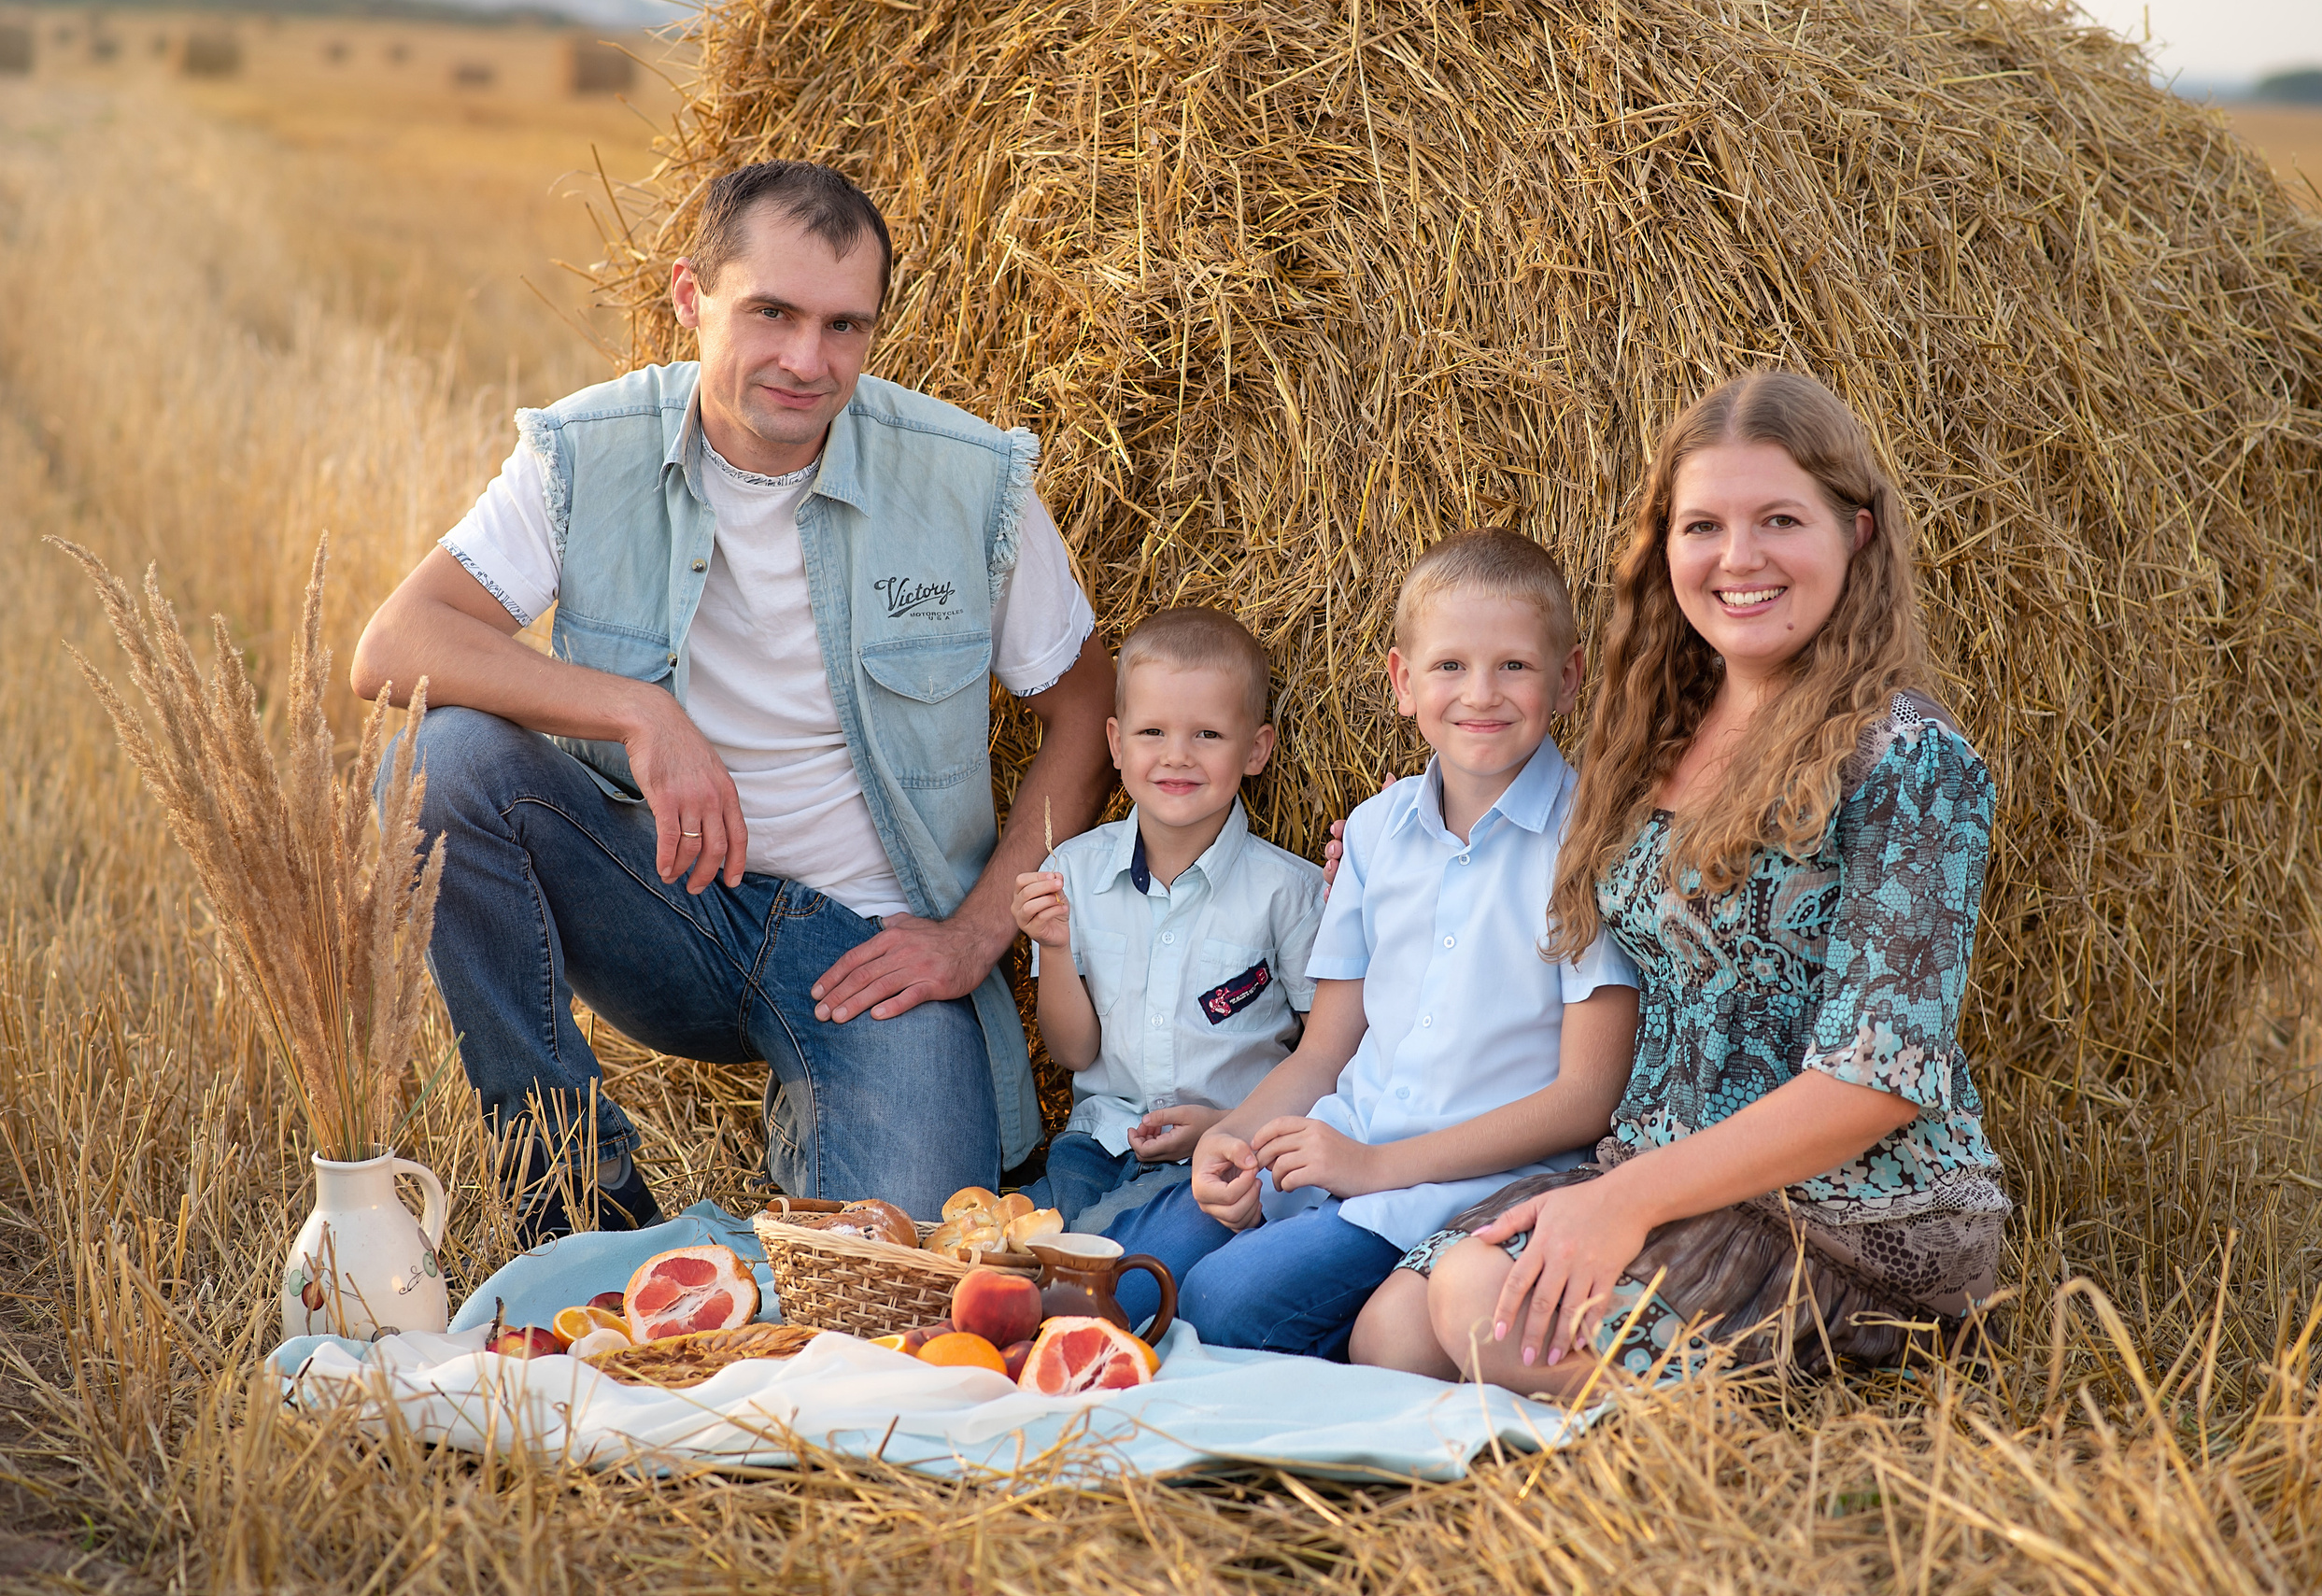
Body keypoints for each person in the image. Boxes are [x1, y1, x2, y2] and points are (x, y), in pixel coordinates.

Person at [350, 162, 1115, 1242]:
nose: (809, 361)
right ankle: (573, 1193)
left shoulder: (968, 481)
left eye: (845, 326)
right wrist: (638, 712)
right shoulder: (587, 451)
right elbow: (393, 645)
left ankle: (805, 1162)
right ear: (688, 296)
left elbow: (1089, 715)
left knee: (889, 1300)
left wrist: (971, 938)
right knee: (441, 761)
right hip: (663, 901)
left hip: (875, 955)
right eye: (772, 312)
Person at [1351, 369, 2010, 1399]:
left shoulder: (1906, 758)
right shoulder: (1653, 734)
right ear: (1665, 547)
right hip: (1658, 1169)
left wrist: (1625, 1202)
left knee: (1482, 1313)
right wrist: (1623, 1191)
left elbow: (1878, 1077)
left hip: (1849, 1217)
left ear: (1858, 535)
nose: (1737, 558)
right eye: (1703, 524)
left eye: (1780, 519)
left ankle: (1732, 1446)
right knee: (1391, 1332)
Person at [1103, 530, 1642, 1358]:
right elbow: (1324, 1055)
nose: (1481, 694)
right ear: (1402, 682)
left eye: (1516, 667)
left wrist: (1370, 1168)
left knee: (1221, 1302)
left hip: (1459, 1186)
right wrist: (1233, 1139)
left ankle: (1371, 1338)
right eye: (1450, 666)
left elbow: (1585, 1098)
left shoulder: (1589, 844)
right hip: (1332, 1147)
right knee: (1135, 1279)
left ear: (1567, 678)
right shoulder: (1374, 832)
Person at [1010, 608, 1324, 1232]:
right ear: (1116, 744)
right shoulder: (1073, 873)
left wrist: (1232, 1127)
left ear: (1256, 749)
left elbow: (1326, 1052)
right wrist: (1055, 946)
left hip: (1225, 1152)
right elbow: (1074, 1050)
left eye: (1206, 734)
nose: (1176, 755)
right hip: (1098, 1146)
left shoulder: (1289, 892)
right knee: (1027, 1247)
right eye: (1152, 731)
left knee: (1111, 1263)